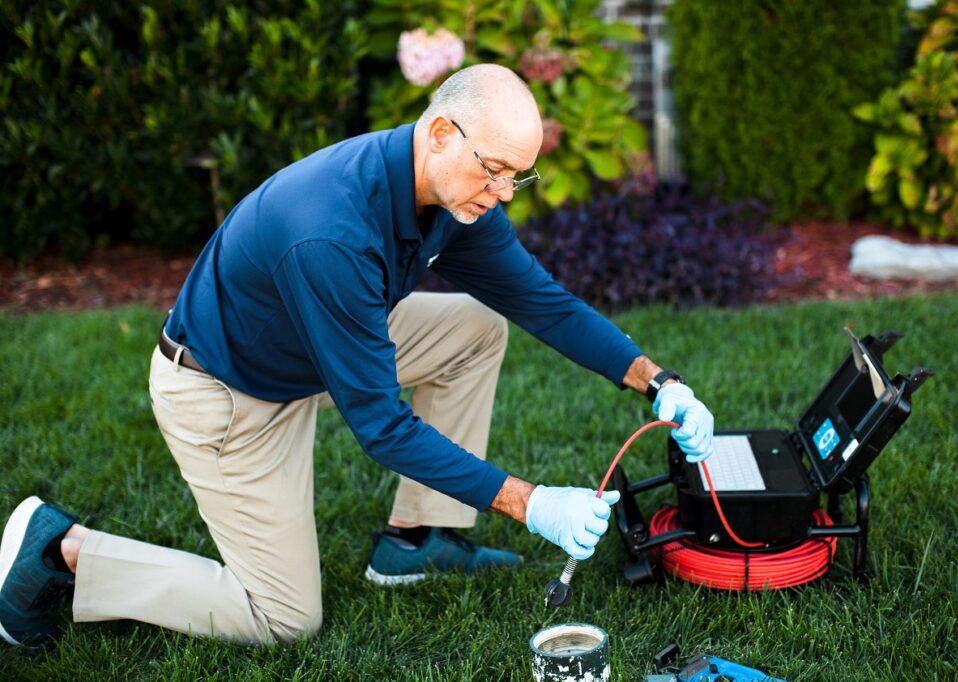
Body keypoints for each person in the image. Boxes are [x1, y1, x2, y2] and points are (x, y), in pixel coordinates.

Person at [0, 64, 714, 647]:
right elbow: (381, 427)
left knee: (474, 326)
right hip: (229, 393)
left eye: (515, 177)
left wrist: (658, 383)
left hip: (311, 350)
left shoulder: (456, 196)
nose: (502, 194)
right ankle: (61, 548)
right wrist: (529, 504)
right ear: (440, 132)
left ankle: (416, 541)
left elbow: (540, 300)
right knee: (282, 618)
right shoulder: (330, 232)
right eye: (494, 170)